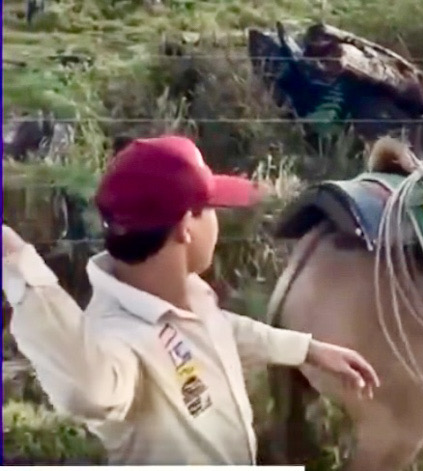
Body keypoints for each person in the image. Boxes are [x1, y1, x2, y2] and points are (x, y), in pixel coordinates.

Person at [2, 135, 380, 465]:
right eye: (212, 209)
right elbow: (91, 389)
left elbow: (222, 331)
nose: (218, 222)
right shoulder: (118, 337)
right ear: (186, 226)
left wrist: (308, 350)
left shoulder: (187, 296)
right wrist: (24, 274)